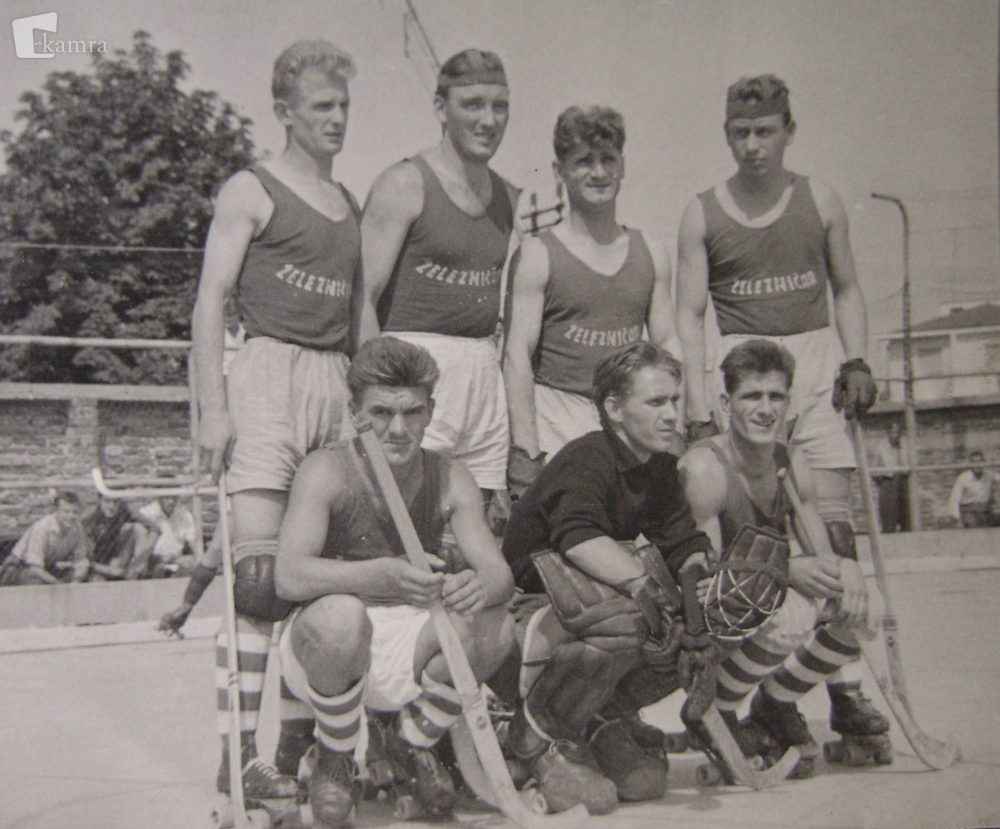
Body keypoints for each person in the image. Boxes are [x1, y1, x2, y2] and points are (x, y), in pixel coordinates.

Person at [675, 73, 886, 742]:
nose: (753, 145)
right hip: (746, 370)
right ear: (726, 134)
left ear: (788, 131)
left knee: (833, 531)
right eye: (740, 133)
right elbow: (688, 314)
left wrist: (857, 359)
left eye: (765, 131)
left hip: (814, 370)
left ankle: (846, 691)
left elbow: (847, 287)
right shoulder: (703, 212)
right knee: (749, 533)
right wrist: (698, 401)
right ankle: (748, 691)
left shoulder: (820, 200)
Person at [190, 39, 362, 800]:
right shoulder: (250, 188)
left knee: (310, 579)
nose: (337, 118)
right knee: (258, 580)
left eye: (344, 104)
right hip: (265, 377)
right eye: (322, 105)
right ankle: (236, 757)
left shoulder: (348, 204)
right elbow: (209, 302)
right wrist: (213, 408)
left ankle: (292, 751)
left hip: (332, 384)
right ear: (285, 112)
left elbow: (359, 318)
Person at [274, 337, 516, 828]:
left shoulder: (451, 474)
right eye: (381, 413)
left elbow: (499, 574)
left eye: (413, 412)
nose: (399, 429)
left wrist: (477, 586)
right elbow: (289, 576)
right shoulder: (325, 469)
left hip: (413, 638)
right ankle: (336, 755)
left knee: (498, 626)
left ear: (431, 412)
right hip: (331, 648)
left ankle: (409, 742)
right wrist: (377, 575)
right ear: (354, 412)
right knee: (341, 616)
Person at [501, 343, 721, 813]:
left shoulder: (659, 464)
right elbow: (578, 540)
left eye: (674, 401)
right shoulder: (589, 457)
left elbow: (682, 541)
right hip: (529, 611)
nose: (671, 415)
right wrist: (649, 590)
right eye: (656, 402)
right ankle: (532, 734)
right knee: (634, 619)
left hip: (586, 602)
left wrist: (697, 591)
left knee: (706, 619)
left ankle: (603, 716)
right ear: (615, 408)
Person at [680, 339, 885, 778]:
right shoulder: (704, 468)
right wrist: (788, 569)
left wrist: (846, 569)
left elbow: (821, 554)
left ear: (788, 404)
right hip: (712, 612)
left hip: (759, 588)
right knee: (791, 614)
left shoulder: (791, 460)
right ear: (725, 405)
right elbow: (707, 575)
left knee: (864, 606)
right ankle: (719, 707)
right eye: (751, 396)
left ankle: (775, 703)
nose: (765, 409)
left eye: (775, 397)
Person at [358, 49, 519, 528]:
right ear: (440, 108)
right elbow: (360, 298)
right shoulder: (405, 183)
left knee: (474, 526)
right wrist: (377, 390)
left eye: (500, 106)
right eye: (473, 104)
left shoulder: (509, 196)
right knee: (405, 522)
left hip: (481, 373)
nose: (488, 120)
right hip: (415, 368)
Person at [503, 106, 677, 497]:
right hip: (559, 416)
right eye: (583, 161)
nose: (598, 172)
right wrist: (526, 449)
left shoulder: (651, 251)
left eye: (607, 159)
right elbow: (516, 355)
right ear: (559, 170)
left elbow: (667, 341)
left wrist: (673, 419)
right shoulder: (538, 254)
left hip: (629, 417)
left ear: (622, 165)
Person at [1, 492, 89, 585]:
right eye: (66, 512)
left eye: (75, 512)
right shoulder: (41, 528)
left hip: (47, 566)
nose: (71, 516)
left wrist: (77, 580)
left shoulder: (78, 528)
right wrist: (59, 585)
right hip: (19, 567)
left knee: (86, 575)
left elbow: (81, 560)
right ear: (56, 511)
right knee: (35, 581)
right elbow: (34, 568)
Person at [81, 495, 162, 580]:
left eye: (116, 502)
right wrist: (112, 571)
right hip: (101, 565)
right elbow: (87, 560)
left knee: (138, 528)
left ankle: (138, 571)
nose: (112, 506)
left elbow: (155, 529)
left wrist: (143, 557)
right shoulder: (90, 520)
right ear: (99, 500)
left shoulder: (126, 510)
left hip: (121, 558)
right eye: (107, 501)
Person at [126, 495, 199, 579]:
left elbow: (194, 545)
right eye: (167, 497)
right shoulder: (147, 513)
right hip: (152, 561)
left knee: (191, 561)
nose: (171, 501)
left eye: (174, 497)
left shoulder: (185, 515)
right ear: (159, 497)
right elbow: (141, 549)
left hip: (176, 561)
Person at [873, 420, 911, 533]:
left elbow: (911, 466)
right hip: (888, 483)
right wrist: (885, 482)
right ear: (888, 432)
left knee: (907, 520)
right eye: (893, 432)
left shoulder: (906, 447)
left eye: (898, 432)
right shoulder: (880, 448)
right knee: (889, 520)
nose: (896, 435)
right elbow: (874, 471)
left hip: (903, 483)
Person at [947, 451, 994, 527]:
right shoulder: (963, 478)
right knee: (974, 527)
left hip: (985, 510)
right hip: (968, 511)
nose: (977, 465)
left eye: (979, 462)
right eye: (974, 462)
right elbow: (954, 499)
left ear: (984, 463)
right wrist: (957, 519)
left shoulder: (989, 475)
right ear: (970, 464)